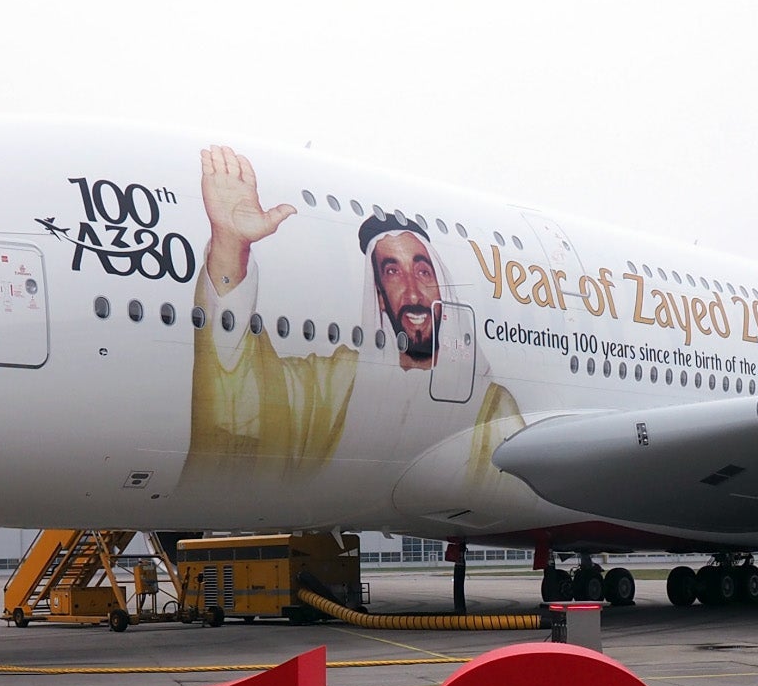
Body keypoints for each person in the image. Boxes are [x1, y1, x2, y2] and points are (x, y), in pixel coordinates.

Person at [183, 146, 519, 489]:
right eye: (392, 272)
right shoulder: (335, 384)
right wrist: (230, 247)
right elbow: (246, 393)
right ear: (379, 297)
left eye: (422, 271)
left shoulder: (492, 407)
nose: (413, 293)